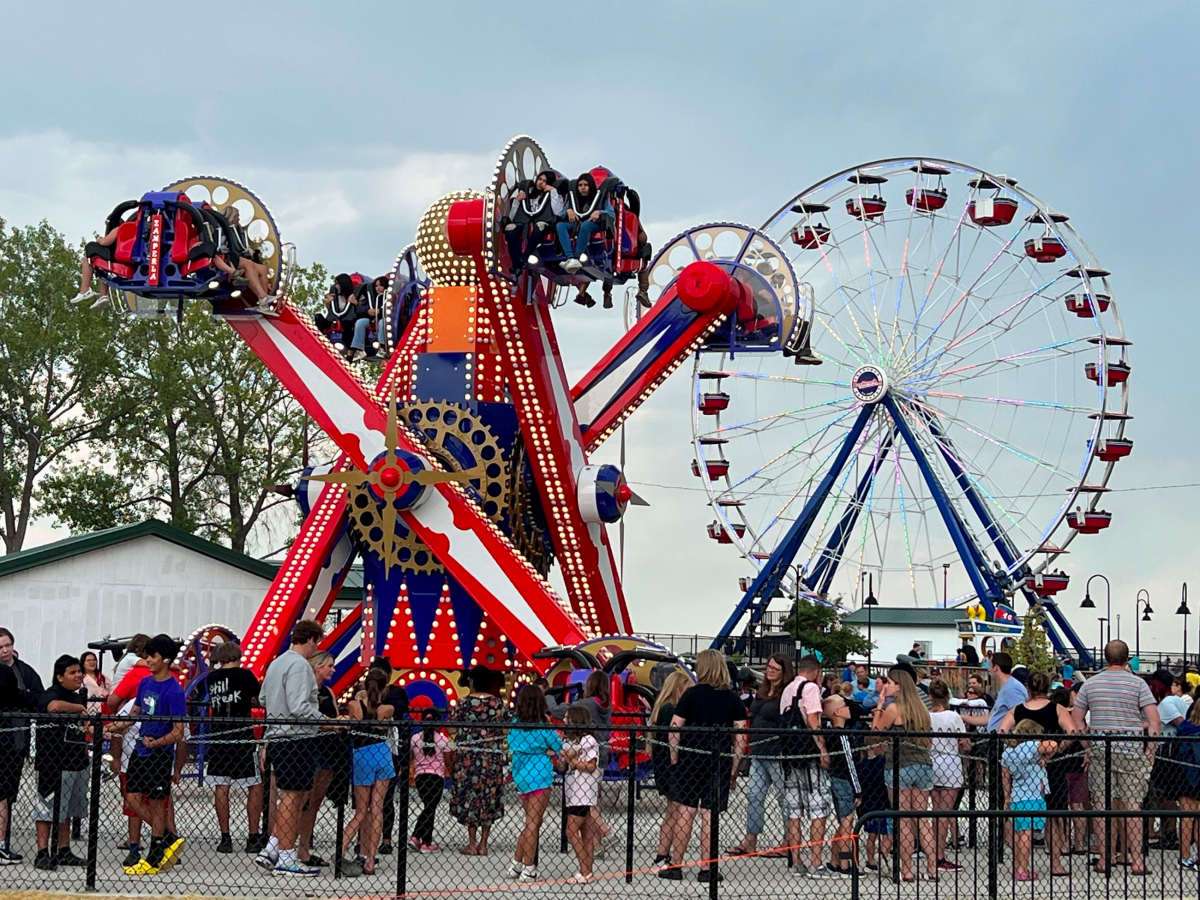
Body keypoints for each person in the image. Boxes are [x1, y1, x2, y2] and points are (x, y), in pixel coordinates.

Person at [1071, 639, 1162, 875]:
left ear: (1105, 657)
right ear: (1127, 658)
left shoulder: (1090, 685)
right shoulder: (1138, 684)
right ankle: (1137, 861)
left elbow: (1077, 719)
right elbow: (1154, 721)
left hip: (1102, 751)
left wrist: (1088, 746)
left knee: (1101, 806)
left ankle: (1104, 858)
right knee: (1133, 806)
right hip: (1131, 751)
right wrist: (1149, 751)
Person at [663, 648, 748, 883]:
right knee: (709, 814)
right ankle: (707, 867)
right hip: (718, 759)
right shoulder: (732, 698)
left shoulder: (691, 695)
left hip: (690, 758)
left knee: (686, 810)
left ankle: (676, 865)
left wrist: (675, 757)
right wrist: (734, 767)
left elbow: (675, 727)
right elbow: (741, 736)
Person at [256, 619, 326, 877]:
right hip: (295, 738)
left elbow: (263, 698)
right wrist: (324, 721)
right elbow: (299, 706)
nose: (315, 648)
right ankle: (286, 857)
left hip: (277, 737)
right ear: (310, 640)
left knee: (289, 796)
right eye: (316, 642)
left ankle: (273, 848)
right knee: (293, 798)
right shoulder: (299, 666)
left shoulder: (277, 663)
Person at [995, 671, 1074, 875]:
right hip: (1052, 766)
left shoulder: (1017, 710)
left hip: (1022, 770)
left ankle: (1021, 864)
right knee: (1054, 817)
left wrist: (1015, 748)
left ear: (1027, 688)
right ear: (1048, 688)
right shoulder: (1057, 709)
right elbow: (1072, 732)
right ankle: (1055, 862)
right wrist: (1057, 750)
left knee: (1023, 823)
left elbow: (1000, 731)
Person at [123, 635, 187, 875]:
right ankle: (167, 836)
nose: (148, 660)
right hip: (141, 750)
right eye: (147, 655)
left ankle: (156, 845)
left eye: (153, 656)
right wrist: (111, 727)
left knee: (159, 801)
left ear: (166, 659)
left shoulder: (173, 691)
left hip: (159, 754)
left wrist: (158, 742)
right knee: (132, 797)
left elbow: (178, 731)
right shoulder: (145, 684)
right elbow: (135, 713)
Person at [869, 664, 937, 883]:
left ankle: (907, 869)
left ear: (898, 686)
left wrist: (879, 706)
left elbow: (875, 735)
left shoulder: (894, 708)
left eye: (888, 682)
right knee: (922, 819)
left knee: (904, 820)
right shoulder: (921, 710)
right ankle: (932, 867)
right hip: (923, 765)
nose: (885, 686)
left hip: (900, 766)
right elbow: (929, 740)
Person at [727, 653, 795, 857]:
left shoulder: (786, 692)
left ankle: (788, 840)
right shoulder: (762, 690)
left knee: (784, 798)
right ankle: (751, 839)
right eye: (769, 667)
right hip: (758, 751)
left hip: (777, 752)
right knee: (754, 796)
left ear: (784, 671)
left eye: (775, 668)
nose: (770, 670)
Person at [204, 641, 264, 854]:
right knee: (254, 784)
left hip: (220, 735)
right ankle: (253, 835)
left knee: (221, 785)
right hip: (242, 735)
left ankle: (225, 837)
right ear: (239, 656)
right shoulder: (246, 676)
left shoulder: (211, 678)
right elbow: (259, 698)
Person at [546, 670, 615, 854]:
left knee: (588, 802)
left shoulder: (585, 705)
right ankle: (596, 844)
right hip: (602, 753)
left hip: (585, 754)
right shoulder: (607, 706)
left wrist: (548, 696)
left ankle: (607, 833)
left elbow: (558, 711)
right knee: (593, 797)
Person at [32, 655, 89, 870]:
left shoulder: (75, 697)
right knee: (46, 808)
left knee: (67, 809)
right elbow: (53, 707)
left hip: (76, 762)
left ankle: (64, 850)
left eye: (79, 671)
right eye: (72, 672)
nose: (78, 676)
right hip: (52, 763)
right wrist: (79, 709)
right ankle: (42, 852)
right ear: (59, 676)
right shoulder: (52, 694)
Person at [779, 655, 835, 876]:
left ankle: (796, 860)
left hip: (791, 756)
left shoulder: (787, 689)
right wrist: (822, 748)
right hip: (809, 754)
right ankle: (816, 861)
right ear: (816, 672)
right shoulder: (810, 688)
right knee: (817, 807)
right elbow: (813, 719)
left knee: (794, 810)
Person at [340, 668, 396, 876]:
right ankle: (371, 859)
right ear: (385, 687)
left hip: (362, 754)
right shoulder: (387, 709)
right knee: (377, 809)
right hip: (381, 753)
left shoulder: (355, 705)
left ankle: (341, 849)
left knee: (361, 811)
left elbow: (353, 724)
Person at [449, 666, 508, 856]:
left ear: (472, 682)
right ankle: (484, 843)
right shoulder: (497, 704)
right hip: (491, 758)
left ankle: (472, 843)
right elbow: (506, 729)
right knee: (488, 798)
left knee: (470, 797)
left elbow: (451, 729)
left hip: (468, 758)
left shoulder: (463, 703)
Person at [506, 684, 561, 883]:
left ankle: (516, 863)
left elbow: (511, 743)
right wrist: (548, 751)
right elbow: (557, 745)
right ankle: (529, 867)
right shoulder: (543, 724)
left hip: (521, 774)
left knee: (531, 821)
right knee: (533, 823)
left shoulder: (514, 723)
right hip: (540, 775)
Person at [294, 651, 341, 867]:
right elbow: (304, 717)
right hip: (311, 746)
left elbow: (335, 715)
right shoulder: (307, 689)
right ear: (318, 667)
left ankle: (304, 846)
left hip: (329, 747)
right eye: (329, 665)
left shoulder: (328, 691)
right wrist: (331, 724)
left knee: (315, 802)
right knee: (301, 800)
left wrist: (338, 722)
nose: (332, 669)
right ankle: (288, 845)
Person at [1003, 719, 1058, 882]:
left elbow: (1005, 778)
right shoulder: (1031, 746)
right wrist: (1047, 756)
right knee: (1027, 834)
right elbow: (1053, 745)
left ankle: (1019, 866)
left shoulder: (1008, 752)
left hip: (1017, 795)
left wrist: (1007, 798)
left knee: (1020, 833)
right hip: (1032, 795)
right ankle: (1022, 868)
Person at [650, 670, 690, 870]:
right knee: (675, 810)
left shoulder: (662, 708)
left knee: (671, 810)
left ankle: (662, 852)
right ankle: (664, 853)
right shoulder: (669, 710)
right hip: (671, 765)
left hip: (665, 765)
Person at [928, 679, 969, 871]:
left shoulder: (926, 717)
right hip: (950, 762)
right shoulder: (953, 717)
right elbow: (965, 743)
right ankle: (939, 855)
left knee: (934, 811)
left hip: (932, 761)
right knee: (945, 812)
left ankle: (931, 851)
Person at [560, 705, 602, 882]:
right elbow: (563, 766)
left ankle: (585, 870)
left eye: (567, 718)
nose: (563, 721)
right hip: (572, 790)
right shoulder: (567, 741)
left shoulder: (588, 740)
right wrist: (559, 759)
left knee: (570, 830)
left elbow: (591, 766)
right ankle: (587, 869)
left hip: (583, 791)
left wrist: (573, 760)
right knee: (585, 831)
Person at [821, 692, 861, 874]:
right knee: (847, 822)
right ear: (837, 712)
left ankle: (834, 860)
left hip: (836, 778)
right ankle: (845, 864)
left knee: (842, 822)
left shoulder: (829, 732)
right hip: (845, 780)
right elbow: (850, 763)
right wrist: (858, 790)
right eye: (844, 705)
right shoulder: (842, 735)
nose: (848, 708)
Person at [410, 708, 451, 853]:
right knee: (430, 807)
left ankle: (425, 842)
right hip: (436, 777)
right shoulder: (442, 740)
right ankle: (417, 836)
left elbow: (411, 758)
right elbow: (448, 761)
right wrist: (451, 775)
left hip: (420, 778)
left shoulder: (414, 739)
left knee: (429, 807)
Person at [961, 651, 1026, 731]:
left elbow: (1019, 717)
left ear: (996, 668)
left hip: (1003, 740)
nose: (988, 669)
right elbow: (989, 718)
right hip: (995, 738)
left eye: (990, 665)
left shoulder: (1013, 689)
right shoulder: (1006, 687)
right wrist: (962, 717)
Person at [1176, 698, 1200, 867]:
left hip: (1184, 774)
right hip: (1197, 773)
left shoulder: (1184, 729)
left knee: (1186, 817)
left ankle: (1185, 855)